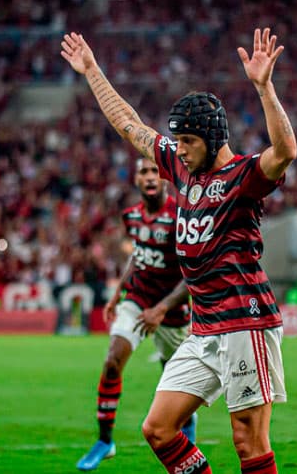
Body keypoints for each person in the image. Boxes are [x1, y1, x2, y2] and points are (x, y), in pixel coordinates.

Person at [61, 27, 296, 474]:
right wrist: (92, 71)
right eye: (178, 142)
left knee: (249, 442)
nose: (179, 150)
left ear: (211, 137)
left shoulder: (244, 176)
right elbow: (131, 126)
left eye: (188, 142)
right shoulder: (183, 169)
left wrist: (264, 88)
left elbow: (285, 150)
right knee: (158, 428)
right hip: (204, 329)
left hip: (245, 321)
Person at [76, 158, 194, 471]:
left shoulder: (180, 217)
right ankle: (104, 441)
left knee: (177, 380)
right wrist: (118, 294)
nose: (150, 176)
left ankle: (188, 432)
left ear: (166, 178)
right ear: (136, 180)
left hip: (171, 307)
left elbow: (191, 272)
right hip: (137, 299)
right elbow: (139, 257)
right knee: (113, 360)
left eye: (156, 171)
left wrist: (163, 307)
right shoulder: (131, 217)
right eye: (144, 171)